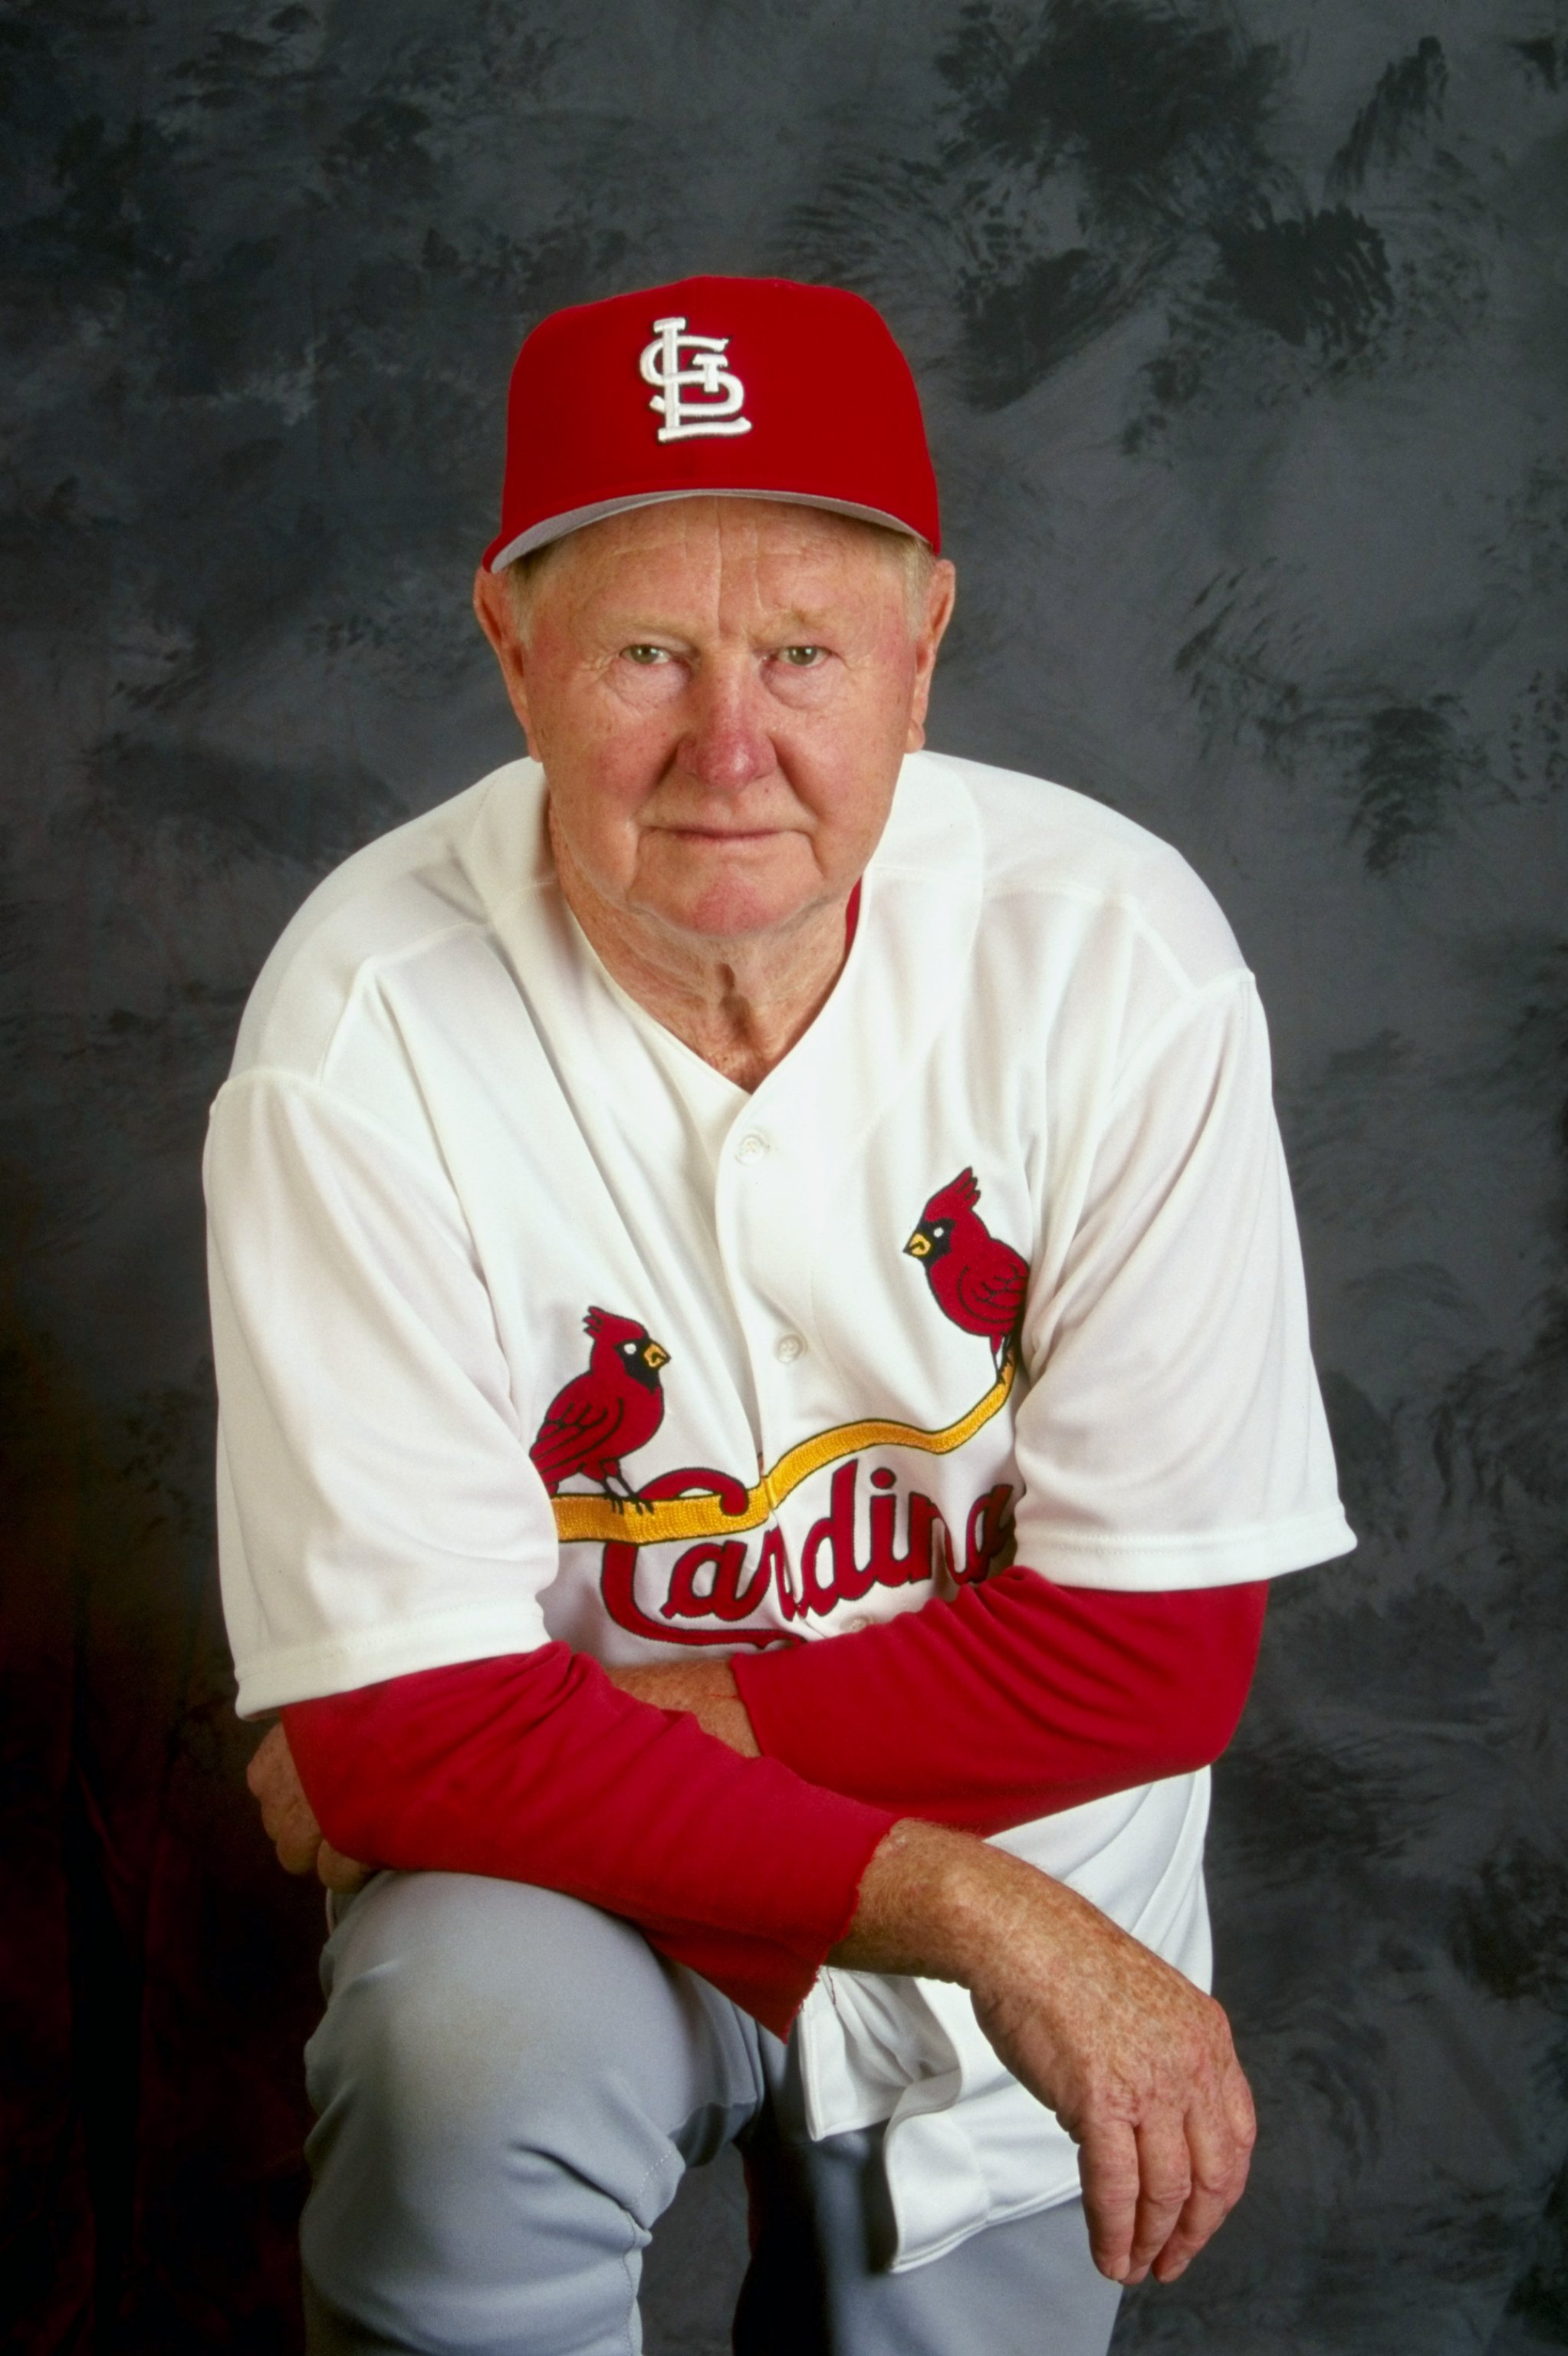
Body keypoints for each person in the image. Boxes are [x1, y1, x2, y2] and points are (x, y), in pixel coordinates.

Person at [212, 275, 1355, 2356]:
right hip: (582, 1897)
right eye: (650, 650)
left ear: (925, 650)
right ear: (516, 648)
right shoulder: (358, 1030)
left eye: (804, 653)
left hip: (988, 1864)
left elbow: (1153, 1657)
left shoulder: (1117, 964)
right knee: (463, 2063)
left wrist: (499, 1737)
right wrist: (979, 1908)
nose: (730, 746)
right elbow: (404, 1744)